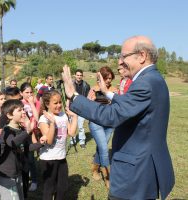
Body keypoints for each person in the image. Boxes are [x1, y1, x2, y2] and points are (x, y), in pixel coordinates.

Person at [62, 35, 175, 200]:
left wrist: (74, 97)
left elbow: (112, 115)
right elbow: (131, 105)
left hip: (134, 174)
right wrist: (108, 93)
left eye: (123, 56)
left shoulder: (145, 82)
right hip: (143, 168)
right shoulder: (154, 79)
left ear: (142, 56)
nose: (120, 62)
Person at [0, 99, 45, 200]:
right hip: (7, 175)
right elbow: (13, 143)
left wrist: (41, 143)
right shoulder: (7, 130)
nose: (23, 112)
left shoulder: (20, 130)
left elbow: (25, 148)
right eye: (19, 110)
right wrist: (28, 131)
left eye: (23, 109)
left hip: (17, 172)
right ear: (9, 115)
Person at [38, 90, 78, 200]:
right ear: (47, 104)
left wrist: (74, 117)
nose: (59, 105)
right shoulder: (43, 119)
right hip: (48, 159)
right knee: (49, 189)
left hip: (61, 157)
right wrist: (52, 123)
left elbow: (71, 132)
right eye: (55, 103)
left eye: (60, 102)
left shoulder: (63, 115)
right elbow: (49, 141)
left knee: (63, 188)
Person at [87, 66, 118, 188]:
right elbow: (87, 106)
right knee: (104, 149)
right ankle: (107, 177)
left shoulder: (114, 90)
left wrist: (113, 102)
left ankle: (94, 168)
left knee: (102, 147)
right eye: (106, 78)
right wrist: (93, 100)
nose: (109, 81)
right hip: (96, 122)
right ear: (101, 77)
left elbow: (118, 106)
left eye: (110, 78)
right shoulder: (93, 89)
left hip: (109, 123)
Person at [19, 82, 39, 193]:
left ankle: (35, 180)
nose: (29, 94)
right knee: (23, 157)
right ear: (21, 93)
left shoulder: (36, 102)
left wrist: (32, 104)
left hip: (34, 132)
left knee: (31, 158)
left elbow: (37, 117)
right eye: (27, 92)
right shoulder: (19, 103)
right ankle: (24, 177)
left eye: (31, 92)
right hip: (23, 132)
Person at [70, 69, 90, 148]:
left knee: (81, 126)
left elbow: (88, 97)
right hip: (72, 108)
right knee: (73, 125)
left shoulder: (86, 85)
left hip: (82, 108)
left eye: (80, 75)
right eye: (77, 75)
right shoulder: (71, 84)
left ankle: (82, 141)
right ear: (75, 75)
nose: (79, 77)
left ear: (82, 76)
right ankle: (73, 141)